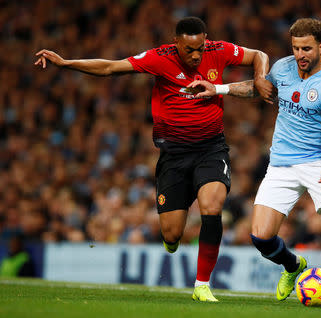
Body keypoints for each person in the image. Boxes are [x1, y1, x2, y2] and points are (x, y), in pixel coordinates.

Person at [35, 16, 271, 302]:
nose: (196, 55)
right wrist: (67, 63)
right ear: (176, 43)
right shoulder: (159, 58)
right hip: (173, 155)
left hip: (211, 148)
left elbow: (259, 55)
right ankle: (172, 240)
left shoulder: (218, 50)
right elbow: (110, 67)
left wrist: (259, 76)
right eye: (189, 50)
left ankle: (202, 285)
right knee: (172, 235)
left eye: (200, 48)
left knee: (212, 206)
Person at [188, 18, 321, 309]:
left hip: (320, 164)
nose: (301, 54)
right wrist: (218, 89)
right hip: (281, 165)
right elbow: (259, 88)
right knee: (261, 237)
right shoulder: (283, 68)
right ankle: (293, 266)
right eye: (296, 48)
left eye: (307, 49)